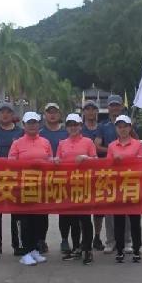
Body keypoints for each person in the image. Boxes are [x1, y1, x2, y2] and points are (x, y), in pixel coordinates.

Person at [9, 111, 54, 266]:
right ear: (24, 125)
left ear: (39, 124)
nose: (32, 125)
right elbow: (11, 163)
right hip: (24, 187)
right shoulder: (17, 143)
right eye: (29, 123)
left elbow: (49, 160)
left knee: (39, 220)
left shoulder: (45, 142)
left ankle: (35, 249)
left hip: (41, 187)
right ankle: (25, 252)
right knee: (25, 221)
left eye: (35, 122)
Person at [55, 113, 98, 264]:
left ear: (81, 126)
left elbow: (96, 160)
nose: (73, 127)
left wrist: (86, 158)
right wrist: (56, 160)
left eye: (76, 125)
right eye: (70, 125)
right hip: (68, 185)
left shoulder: (88, 142)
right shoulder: (62, 143)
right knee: (72, 219)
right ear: (66, 127)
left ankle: (87, 249)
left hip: (84, 184)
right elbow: (58, 160)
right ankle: (76, 248)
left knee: (85, 219)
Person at [95, 94, 133, 254]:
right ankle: (110, 241)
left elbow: (136, 144)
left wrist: (124, 154)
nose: (115, 107)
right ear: (108, 107)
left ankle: (127, 241)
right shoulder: (102, 126)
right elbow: (97, 146)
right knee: (109, 210)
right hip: (109, 173)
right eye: (112, 105)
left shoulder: (130, 124)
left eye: (117, 105)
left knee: (127, 211)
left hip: (128, 175)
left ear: (121, 107)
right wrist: (113, 152)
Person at [0, 102, 24, 257]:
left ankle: (18, 245)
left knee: (17, 214)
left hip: (16, 178)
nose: (5, 115)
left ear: (12, 114)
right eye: (2, 112)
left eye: (8, 112)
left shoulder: (20, 132)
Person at [107, 114, 142, 263]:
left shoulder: (137, 144)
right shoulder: (112, 146)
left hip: (133, 186)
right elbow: (107, 167)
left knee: (135, 221)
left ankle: (136, 249)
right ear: (116, 129)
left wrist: (127, 161)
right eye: (119, 127)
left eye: (125, 126)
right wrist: (114, 162)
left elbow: (141, 163)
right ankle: (120, 250)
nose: (122, 129)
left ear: (130, 128)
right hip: (118, 187)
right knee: (119, 221)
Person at [40, 102, 68, 254]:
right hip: (43, 178)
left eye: (55, 112)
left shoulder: (66, 132)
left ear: (59, 114)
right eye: (49, 112)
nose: (52, 115)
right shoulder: (39, 132)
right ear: (45, 115)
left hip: (64, 177)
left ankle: (65, 239)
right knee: (42, 210)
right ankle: (41, 240)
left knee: (64, 210)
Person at [80, 100, 105, 252]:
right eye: (87, 109)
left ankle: (97, 236)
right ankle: (85, 237)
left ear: (97, 111)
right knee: (83, 207)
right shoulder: (79, 128)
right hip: (81, 175)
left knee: (99, 208)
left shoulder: (103, 128)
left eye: (93, 109)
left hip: (100, 173)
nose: (90, 112)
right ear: (83, 112)